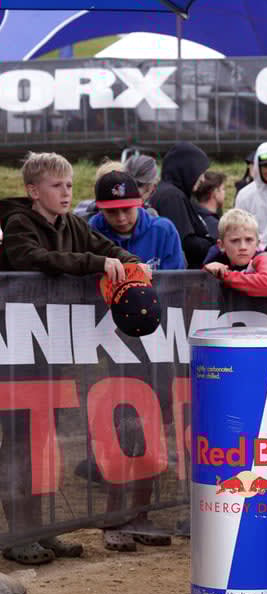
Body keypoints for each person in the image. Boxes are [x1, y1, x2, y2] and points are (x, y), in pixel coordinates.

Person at [0, 153, 145, 565]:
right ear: (33, 191)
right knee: (19, 444)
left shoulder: (74, 225)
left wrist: (133, 268)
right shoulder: (18, 224)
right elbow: (36, 260)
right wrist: (99, 264)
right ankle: (18, 533)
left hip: (52, 351)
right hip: (16, 353)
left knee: (45, 444)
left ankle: (43, 529)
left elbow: (111, 249)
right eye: (56, 185)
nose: (66, 192)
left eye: (68, 185)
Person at [89, 171, 185, 271]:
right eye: (111, 212)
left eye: (127, 209)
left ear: (140, 203)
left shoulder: (164, 231)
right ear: (100, 210)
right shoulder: (92, 232)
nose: (121, 218)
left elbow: (175, 279)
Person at [147, 142, 214, 268]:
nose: (203, 179)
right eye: (201, 172)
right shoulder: (172, 196)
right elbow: (186, 243)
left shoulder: (169, 192)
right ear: (189, 169)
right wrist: (215, 245)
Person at [202, 208, 267, 297]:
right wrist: (208, 270)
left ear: (257, 243)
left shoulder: (264, 258)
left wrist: (225, 275)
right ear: (221, 245)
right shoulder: (216, 258)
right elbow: (197, 293)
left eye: (249, 240)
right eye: (235, 241)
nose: (243, 247)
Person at [192, 170, 227, 240]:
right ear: (215, 193)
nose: (225, 193)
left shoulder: (191, 215)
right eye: (223, 189)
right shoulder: (215, 226)